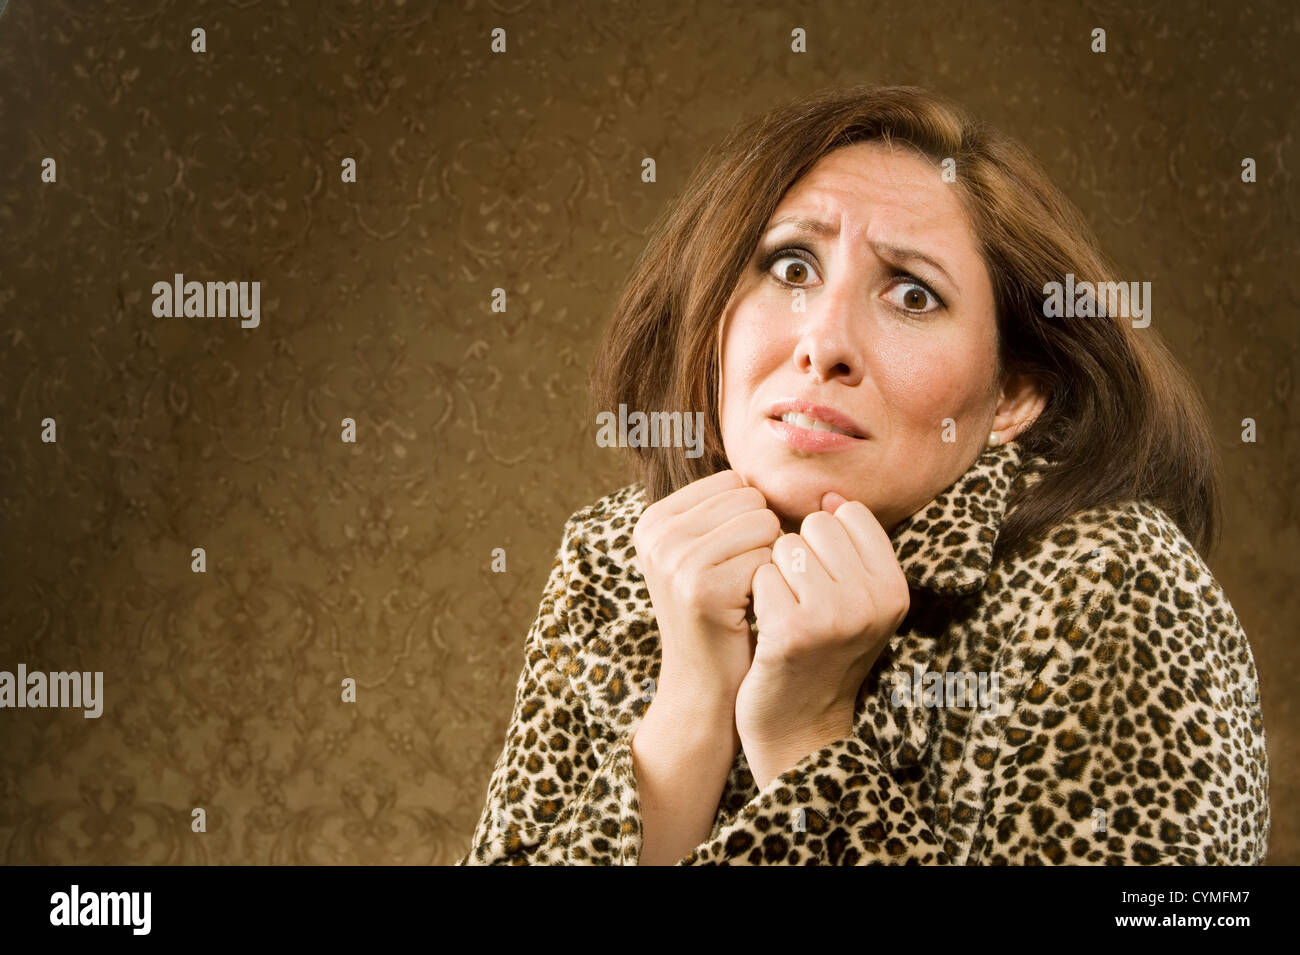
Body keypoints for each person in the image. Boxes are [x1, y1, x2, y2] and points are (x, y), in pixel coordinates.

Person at [457, 84, 1270, 865]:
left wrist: (808, 737)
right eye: (791, 268)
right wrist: (691, 704)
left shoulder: (1112, 585)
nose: (824, 340)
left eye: (913, 294)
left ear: (1013, 395)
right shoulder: (611, 557)